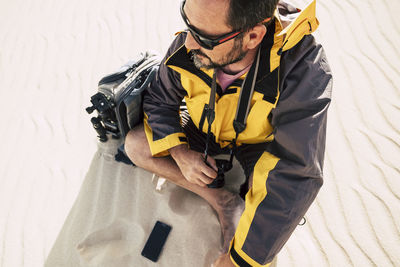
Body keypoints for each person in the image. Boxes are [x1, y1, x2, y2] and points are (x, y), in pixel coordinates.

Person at [124, 0, 332, 265]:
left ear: (253, 36)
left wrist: (239, 261)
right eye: (187, 24)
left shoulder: (304, 68)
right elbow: (159, 100)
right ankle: (223, 200)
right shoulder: (191, 43)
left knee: (270, 210)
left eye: (203, 37)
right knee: (136, 144)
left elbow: (296, 173)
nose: (188, 44)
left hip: (257, 146)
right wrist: (181, 153)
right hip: (203, 131)